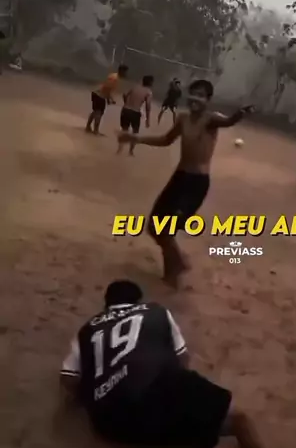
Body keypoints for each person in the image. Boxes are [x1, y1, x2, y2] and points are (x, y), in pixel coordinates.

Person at [60, 280, 296, 448]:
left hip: (110, 426)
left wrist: (100, 389)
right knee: (237, 418)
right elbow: (182, 359)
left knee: (169, 412)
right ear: (137, 301)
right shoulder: (155, 311)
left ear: (107, 305)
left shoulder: (86, 330)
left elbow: (68, 379)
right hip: (151, 398)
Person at [118, 79, 254, 286]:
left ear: (208, 100)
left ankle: (174, 271)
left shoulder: (211, 119)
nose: (195, 98)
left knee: (166, 230)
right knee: (154, 227)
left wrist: (240, 113)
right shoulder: (183, 119)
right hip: (179, 179)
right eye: (193, 93)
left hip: (195, 184)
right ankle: (176, 266)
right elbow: (165, 140)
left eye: (200, 95)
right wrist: (136, 138)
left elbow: (228, 121)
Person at [86, 65, 129, 135]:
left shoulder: (114, 76)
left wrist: (110, 99)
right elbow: (106, 89)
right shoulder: (114, 78)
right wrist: (109, 99)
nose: (126, 74)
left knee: (96, 111)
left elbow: (107, 89)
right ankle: (95, 131)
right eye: (126, 72)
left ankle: (88, 127)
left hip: (97, 93)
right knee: (99, 113)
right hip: (99, 95)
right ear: (122, 71)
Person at [117, 75, 154, 156]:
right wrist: (147, 119)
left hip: (125, 110)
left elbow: (124, 94)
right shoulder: (148, 92)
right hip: (135, 112)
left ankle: (119, 150)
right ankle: (131, 152)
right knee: (135, 133)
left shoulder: (135, 87)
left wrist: (126, 103)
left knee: (124, 130)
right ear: (151, 83)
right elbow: (148, 106)